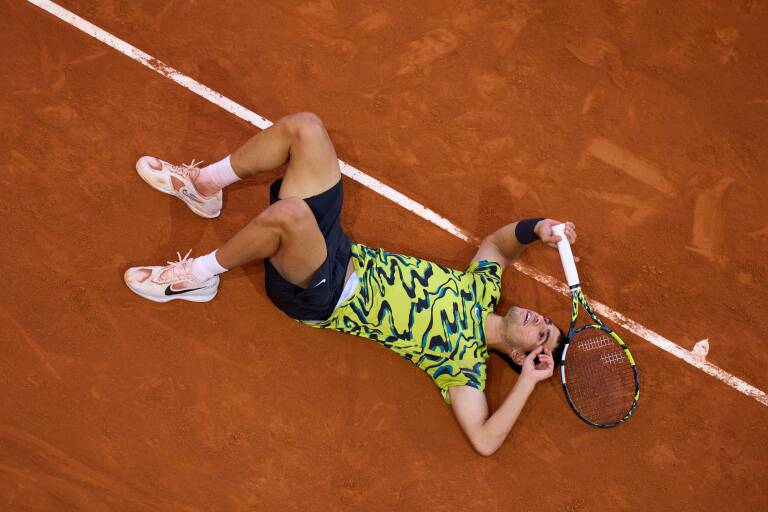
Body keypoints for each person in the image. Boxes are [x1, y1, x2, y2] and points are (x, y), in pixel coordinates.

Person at [124, 112, 577, 456]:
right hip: (337, 249)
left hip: (320, 294)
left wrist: (530, 382)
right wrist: (541, 228)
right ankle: (205, 187)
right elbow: (498, 246)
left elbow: (484, 440)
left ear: (519, 354)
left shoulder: (463, 367)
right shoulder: (483, 290)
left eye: (540, 334)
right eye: (547, 323)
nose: (540, 319)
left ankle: (198, 278)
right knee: (305, 128)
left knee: (291, 215)